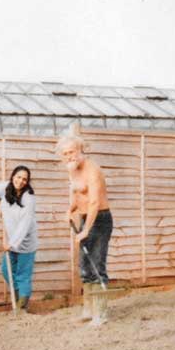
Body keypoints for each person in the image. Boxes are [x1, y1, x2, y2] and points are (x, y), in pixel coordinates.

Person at [56, 135, 113, 323]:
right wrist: (70, 210)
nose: (69, 156)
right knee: (85, 267)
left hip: (99, 219)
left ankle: (100, 314)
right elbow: (78, 196)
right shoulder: (73, 170)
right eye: (65, 153)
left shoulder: (92, 169)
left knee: (96, 265)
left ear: (80, 150)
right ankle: (88, 310)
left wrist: (86, 230)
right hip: (84, 219)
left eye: (71, 152)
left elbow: (94, 202)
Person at [0, 165, 38, 312]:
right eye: (18, 177)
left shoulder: (29, 198)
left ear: (27, 182)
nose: (20, 181)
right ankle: (17, 298)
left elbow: (25, 224)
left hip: (25, 241)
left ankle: (22, 306)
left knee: (23, 275)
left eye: (24, 179)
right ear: (13, 176)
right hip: (10, 239)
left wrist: (12, 243)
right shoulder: (5, 187)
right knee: (6, 270)